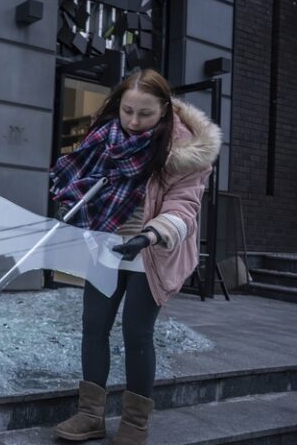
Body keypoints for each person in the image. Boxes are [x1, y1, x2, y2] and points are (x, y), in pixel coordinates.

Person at [49, 69, 221, 445]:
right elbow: (84, 185)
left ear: (165, 110)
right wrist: (71, 203)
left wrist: (149, 235)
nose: (133, 121)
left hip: (150, 253)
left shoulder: (186, 153)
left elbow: (184, 207)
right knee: (94, 328)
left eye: (144, 113)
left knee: (136, 334)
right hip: (104, 246)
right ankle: (90, 415)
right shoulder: (104, 138)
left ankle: (135, 424)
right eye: (128, 110)